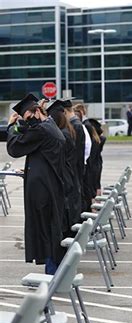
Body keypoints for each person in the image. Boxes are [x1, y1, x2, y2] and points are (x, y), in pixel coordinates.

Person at [6, 94, 65, 275]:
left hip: (42, 190)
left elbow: (14, 148)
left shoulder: (42, 130)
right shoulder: (50, 126)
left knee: (44, 231)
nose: (28, 122)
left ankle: (52, 273)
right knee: (48, 229)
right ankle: (52, 270)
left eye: (28, 117)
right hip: (49, 186)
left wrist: (11, 126)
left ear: (36, 112)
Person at [46, 101, 82, 236]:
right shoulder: (68, 130)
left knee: (65, 215)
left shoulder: (62, 135)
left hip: (65, 178)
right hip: (70, 175)